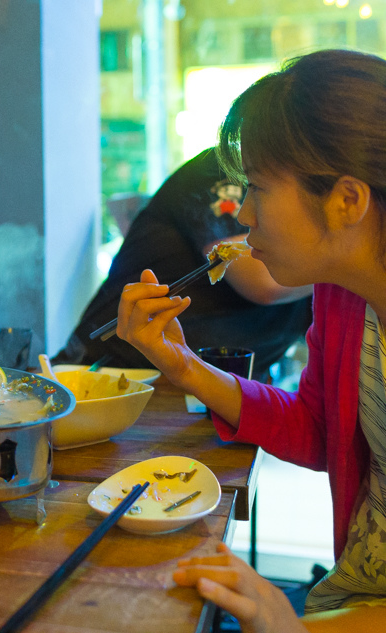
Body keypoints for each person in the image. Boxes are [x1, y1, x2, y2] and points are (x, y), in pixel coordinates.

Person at [115, 49, 386, 630]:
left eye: (258, 188)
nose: (242, 213)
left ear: (346, 200)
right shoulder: (344, 297)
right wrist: (182, 364)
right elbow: (317, 428)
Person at [54, 147, 313, 382]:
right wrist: (336, 264)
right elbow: (262, 281)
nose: (247, 214)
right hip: (119, 372)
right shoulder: (226, 165)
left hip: (220, 382)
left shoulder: (315, 210)